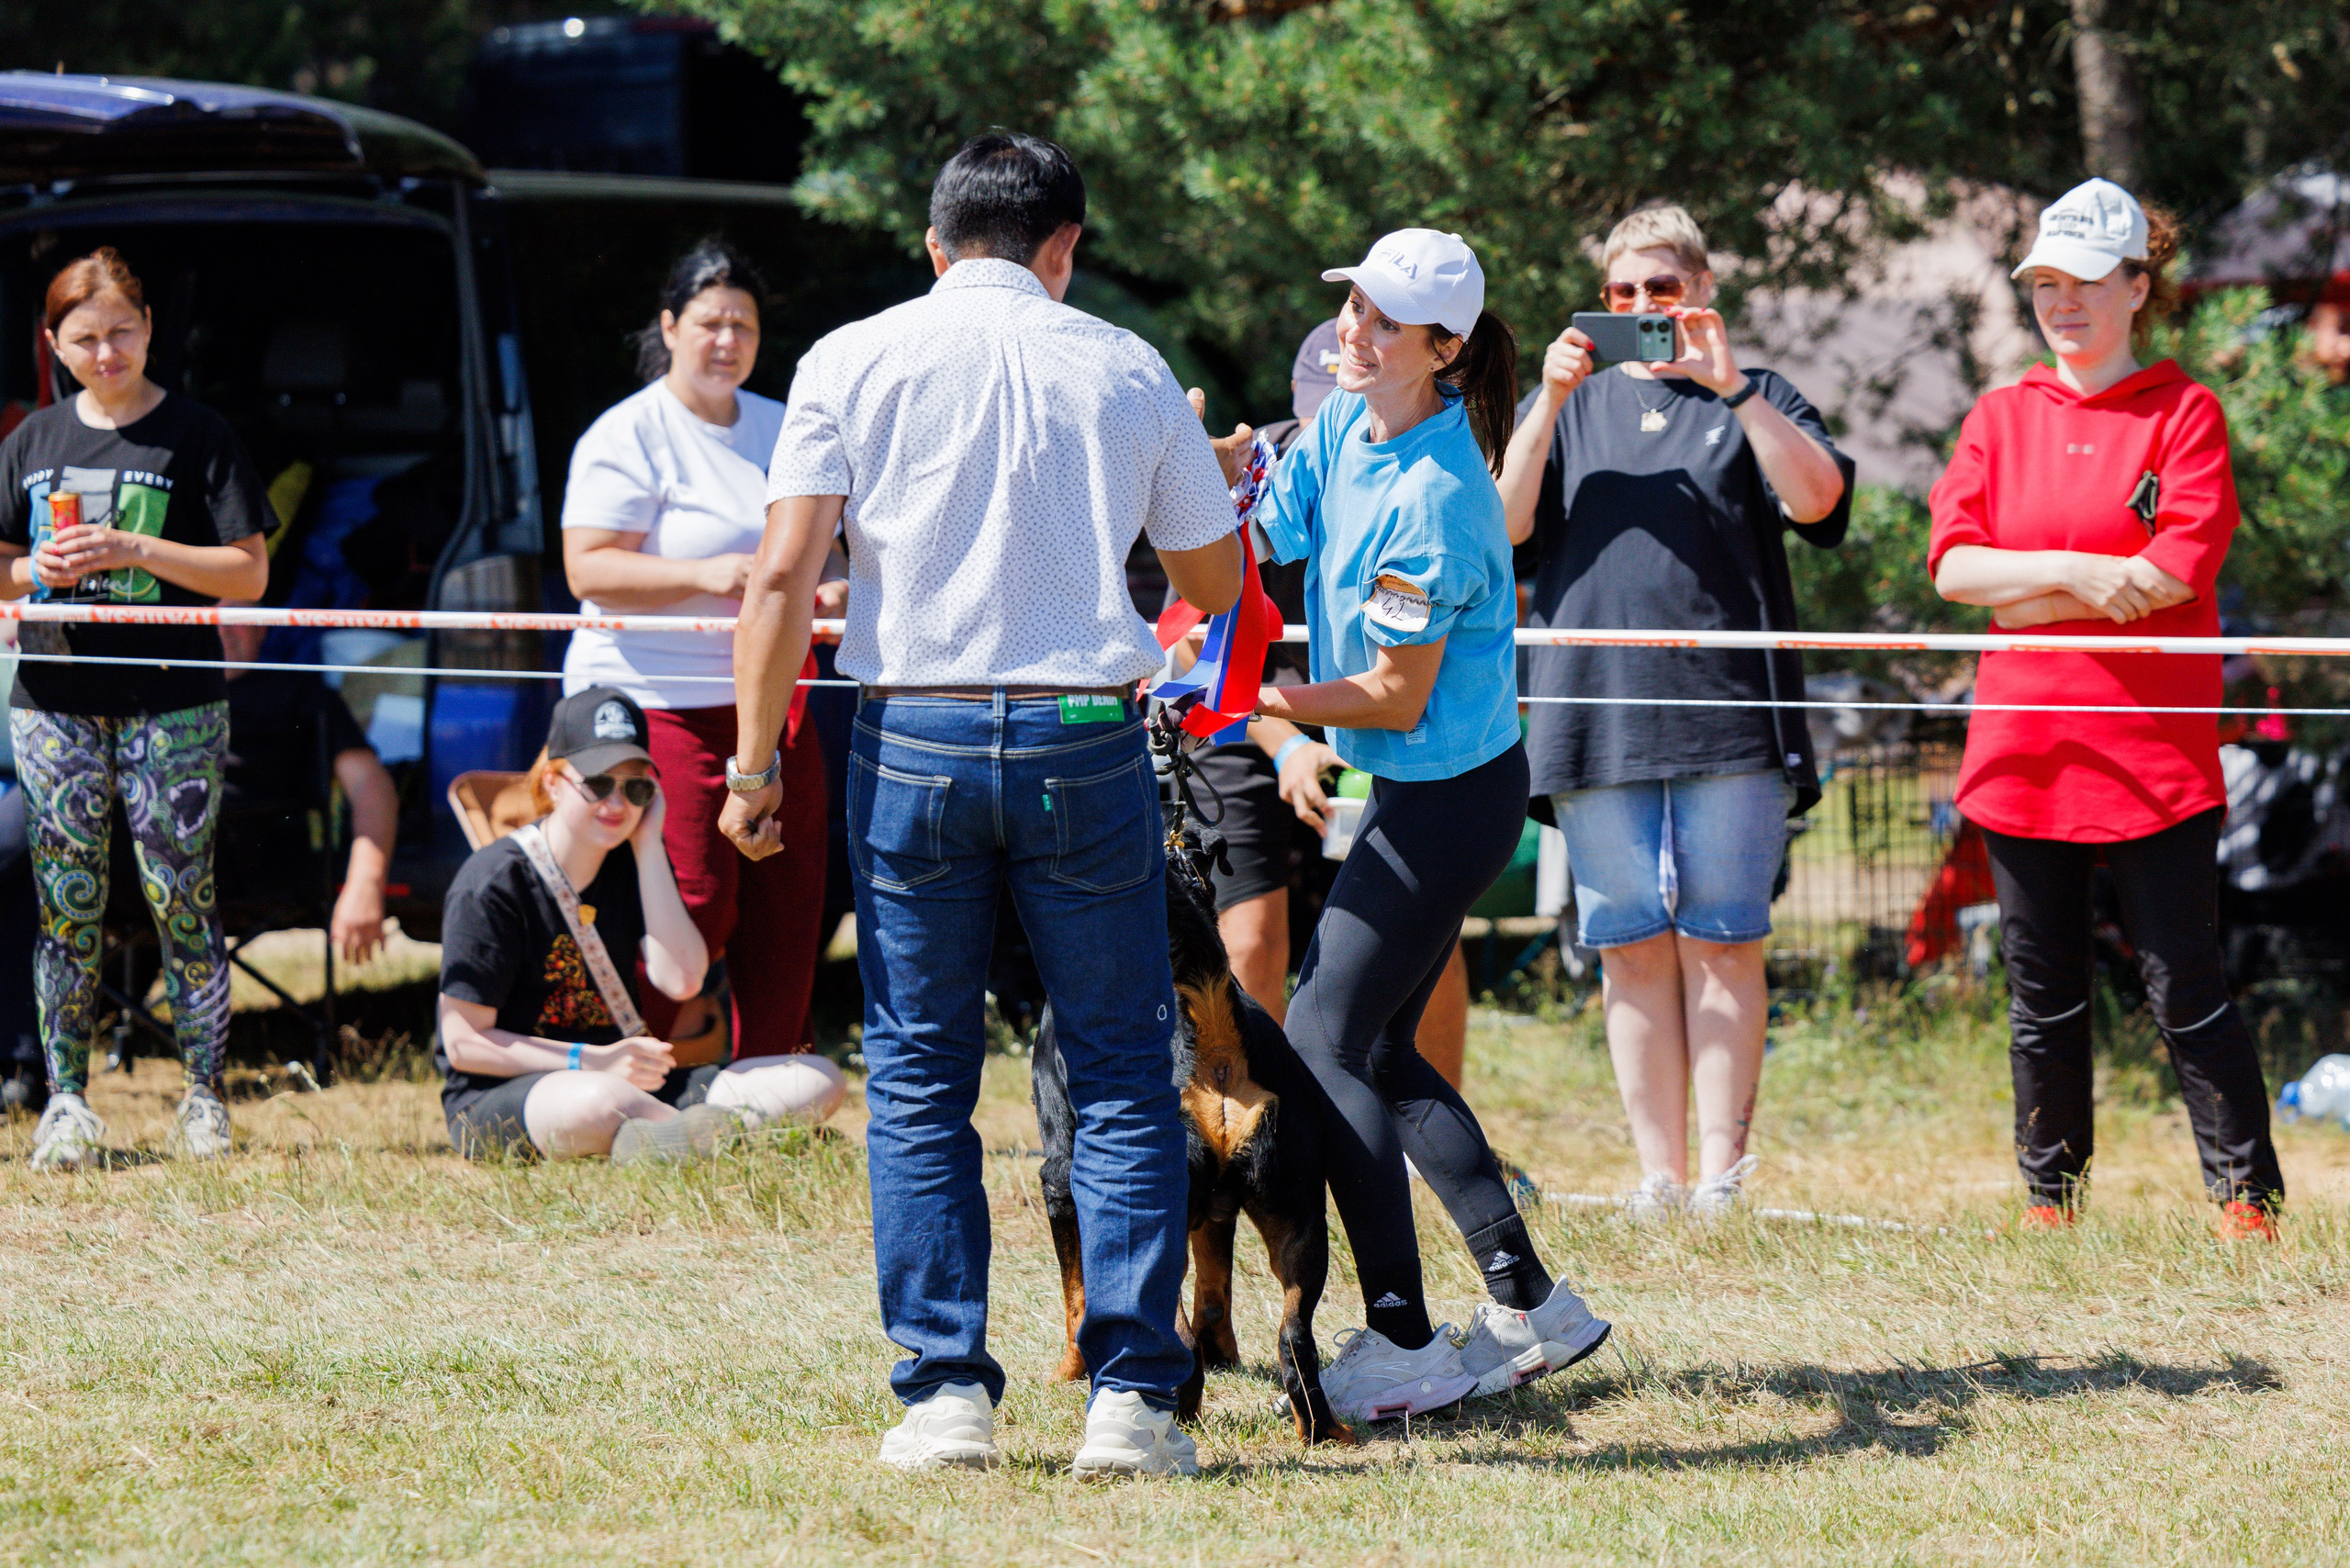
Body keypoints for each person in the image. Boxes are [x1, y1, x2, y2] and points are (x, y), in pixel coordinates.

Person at [723, 132, 1243, 1478]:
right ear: (1063, 248)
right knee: (1125, 1070)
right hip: (1082, 732)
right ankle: (1132, 1399)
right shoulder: (1125, 362)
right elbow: (1216, 576)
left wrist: (754, 762)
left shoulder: (847, 357)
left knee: (916, 1073)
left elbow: (782, 579)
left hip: (914, 733)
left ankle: (944, 1393)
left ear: (935, 244)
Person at [1242, 229, 1611, 1426]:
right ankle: (1532, 1301)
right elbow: (1273, 528)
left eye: (1382, 321)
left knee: (1321, 1038)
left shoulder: (1444, 496)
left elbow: (1394, 694)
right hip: (1417, 792)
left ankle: (1399, 1336)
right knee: (1380, 1051)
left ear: (1443, 349)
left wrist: (1260, 703)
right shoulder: (1348, 420)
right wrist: (1207, 468)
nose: (1352, 331)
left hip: (1455, 803)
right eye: (1351, 305)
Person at [1929, 177, 2284, 1238]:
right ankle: (2052, 1201)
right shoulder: (1997, 414)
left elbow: (2176, 566)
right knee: (2040, 995)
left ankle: (2245, 1199)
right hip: (2023, 745)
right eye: (2045, 282)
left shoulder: (2185, 411)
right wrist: (2082, 579)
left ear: (2139, 285)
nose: (2062, 301)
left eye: (2086, 282)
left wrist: (2025, 588)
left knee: (2185, 986)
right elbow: (1953, 567)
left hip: (2152, 753)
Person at [1497, 206, 1853, 1220]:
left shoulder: (1758, 393)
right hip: (1593, 710)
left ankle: (1721, 1181)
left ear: (1700, 290)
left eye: (1663, 289)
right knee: (1627, 944)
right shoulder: (1566, 402)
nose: (1644, 309)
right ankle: (1656, 1178)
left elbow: (1820, 503)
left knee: (1725, 936)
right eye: (1623, 294)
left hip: (1728, 711)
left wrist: (1733, 386)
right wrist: (1548, 399)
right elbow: (1504, 528)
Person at [0, 247, 273, 1170]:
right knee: (66, 903)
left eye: (121, 331)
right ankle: (67, 1101)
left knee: (178, 895)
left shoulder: (197, 434)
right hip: (53, 702)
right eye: (85, 337)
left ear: (150, 327)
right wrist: (38, 570)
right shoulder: (32, 442)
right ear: (52, 344)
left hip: (175, 700)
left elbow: (248, 571)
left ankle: (204, 1096)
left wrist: (140, 550)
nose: (106, 352)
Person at [560, 240, 842, 1062]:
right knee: (699, 896)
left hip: (776, 695)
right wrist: (709, 571)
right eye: (711, 323)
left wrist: (832, 589)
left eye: (744, 326)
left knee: (792, 893)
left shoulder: (784, 426)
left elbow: (833, 550)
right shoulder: (628, 433)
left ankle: (775, 1076)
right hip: (657, 698)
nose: (727, 340)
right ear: (670, 326)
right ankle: (625, 1070)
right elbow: (590, 567)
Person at [1178, 320, 1474, 1089]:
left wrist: (1332, 734)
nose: (1327, 434)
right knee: (1252, 940)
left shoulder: (1420, 473)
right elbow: (1187, 648)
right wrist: (1286, 743)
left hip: (1366, 717)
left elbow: (1398, 692)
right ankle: (1246, 1138)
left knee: (1427, 939)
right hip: (1248, 722)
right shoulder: (1268, 461)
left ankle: (1429, 1134)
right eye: (1316, 416)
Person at [434, 687, 845, 1163]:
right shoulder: (493, 882)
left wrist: (650, 845)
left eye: (636, 787)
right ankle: (723, 1138)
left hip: (625, 1082)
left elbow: (683, 979)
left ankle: (667, 1141)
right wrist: (590, 1061)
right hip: (509, 1095)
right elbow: (464, 1043)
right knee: (596, 1103)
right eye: (597, 783)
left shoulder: (634, 859)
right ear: (551, 781)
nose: (617, 804)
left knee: (815, 1077)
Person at [217, 614, 397, 966]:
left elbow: (370, 784)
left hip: (249, 872)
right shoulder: (149, 687)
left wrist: (366, 882)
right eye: (209, 616)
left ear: (261, 626)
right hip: (135, 865)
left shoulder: (301, 693)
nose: (222, 628)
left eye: (237, 617)